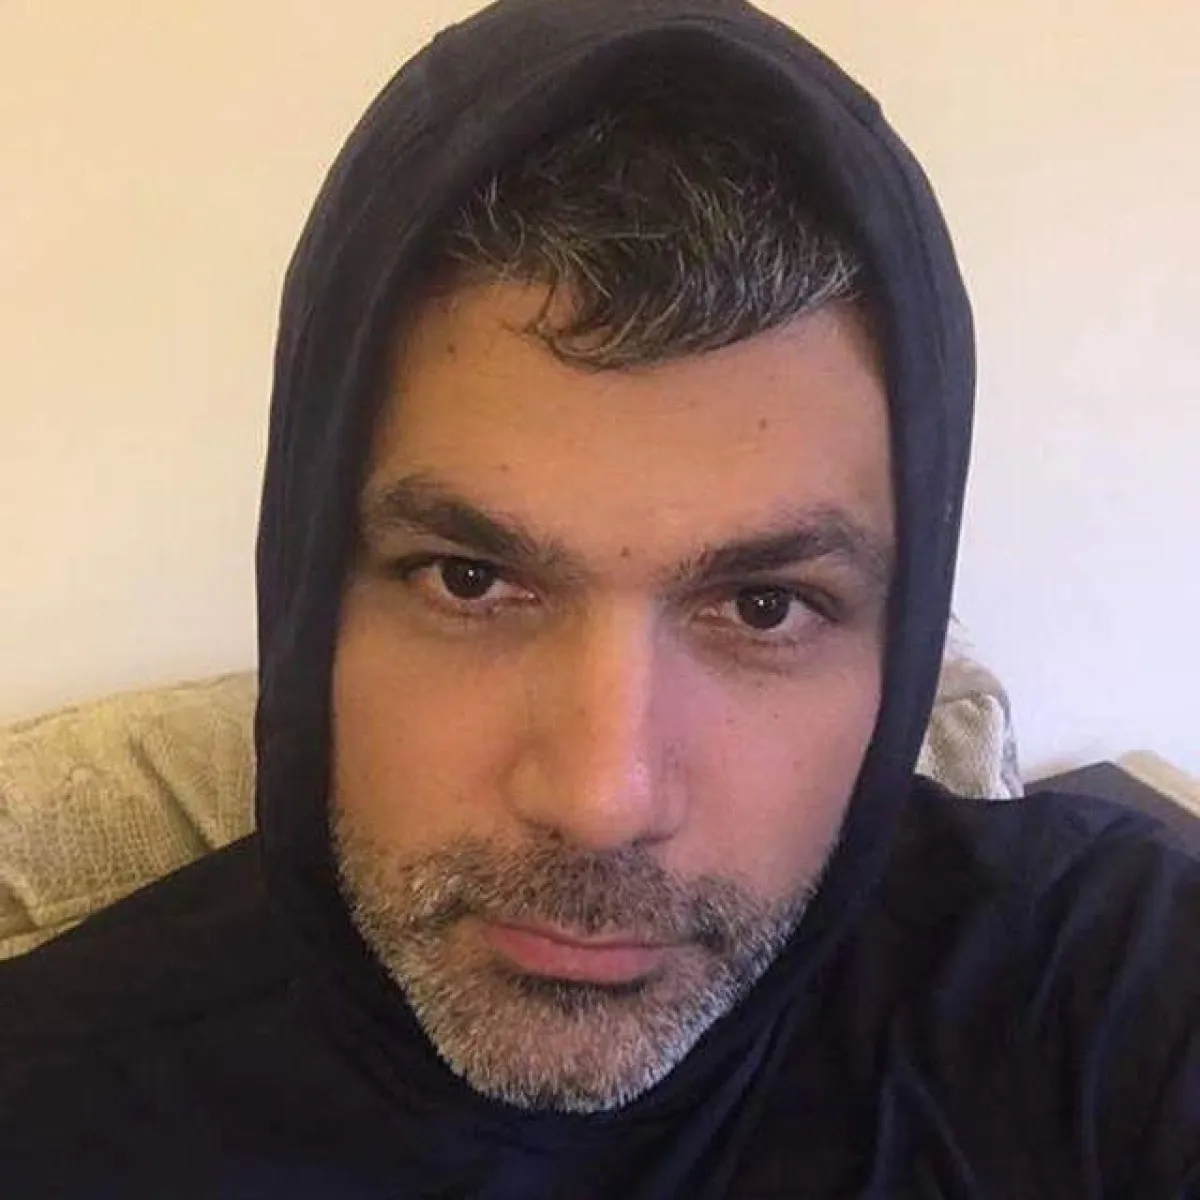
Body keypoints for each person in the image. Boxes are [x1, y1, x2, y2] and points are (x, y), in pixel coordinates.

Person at [1, 0, 1196, 1195]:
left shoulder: (1099, 991)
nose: (601, 800)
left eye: (764, 606)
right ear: (309, 599)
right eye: (470, 579)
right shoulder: (48, 1110)